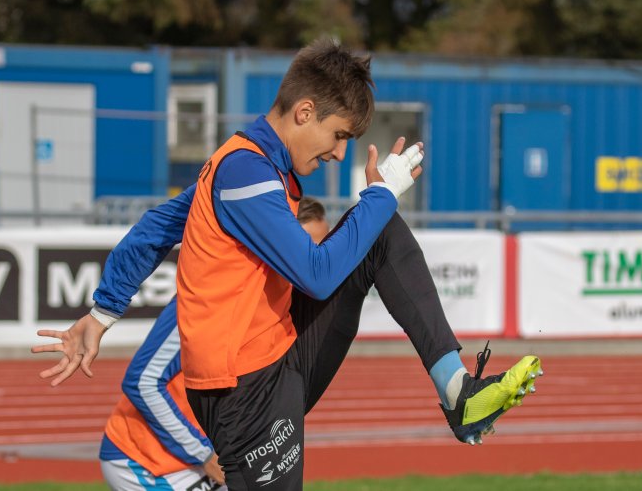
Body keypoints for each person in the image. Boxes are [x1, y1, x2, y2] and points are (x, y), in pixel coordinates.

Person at [34, 39, 541, 490]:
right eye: (338, 135)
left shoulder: (254, 169)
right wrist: (379, 195)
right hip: (242, 392)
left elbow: (153, 228)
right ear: (304, 112)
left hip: (279, 359)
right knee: (377, 216)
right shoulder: (243, 170)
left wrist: (102, 314)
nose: (340, 154)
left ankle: (458, 391)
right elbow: (316, 275)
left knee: (380, 232)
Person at [101, 197, 329, 491]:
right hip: (144, 461)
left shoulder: (282, 301)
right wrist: (202, 453)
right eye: (307, 246)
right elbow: (142, 382)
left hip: (206, 457)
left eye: (322, 246)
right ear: (279, 244)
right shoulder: (209, 300)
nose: (316, 257)